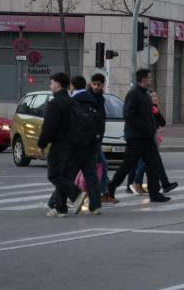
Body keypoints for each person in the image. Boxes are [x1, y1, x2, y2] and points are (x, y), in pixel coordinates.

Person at [105, 69, 170, 203]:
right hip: (136, 138)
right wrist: (144, 127)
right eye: (149, 77)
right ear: (143, 79)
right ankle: (110, 188)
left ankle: (154, 193)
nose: (151, 80)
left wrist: (152, 127)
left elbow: (149, 115)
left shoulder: (146, 95)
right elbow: (128, 115)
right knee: (128, 165)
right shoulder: (133, 94)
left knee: (153, 164)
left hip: (147, 137)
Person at [38, 72, 84, 217]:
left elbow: (49, 126)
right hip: (74, 144)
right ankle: (60, 208)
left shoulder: (55, 103)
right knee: (63, 176)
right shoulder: (72, 102)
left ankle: (76, 195)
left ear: (57, 84)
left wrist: (42, 144)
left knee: (54, 174)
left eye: (51, 83)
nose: (50, 86)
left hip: (60, 144)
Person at [68, 75, 103, 215]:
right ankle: (95, 205)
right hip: (91, 143)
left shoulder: (73, 101)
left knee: (67, 176)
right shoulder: (92, 99)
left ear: (72, 86)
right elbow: (100, 121)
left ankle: (55, 203)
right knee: (91, 176)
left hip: (76, 145)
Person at [90, 73, 118, 206]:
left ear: (103, 85)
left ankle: (105, 193)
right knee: (98, 167)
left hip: (97, 139)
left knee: (102, 166)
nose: (95, 87)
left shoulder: (100, 98)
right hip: (91, 139)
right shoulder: (88, 98)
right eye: (93, 84)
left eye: (98, 84)